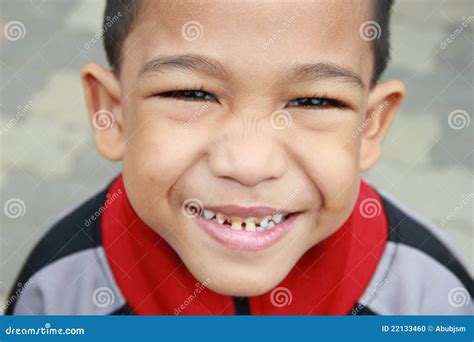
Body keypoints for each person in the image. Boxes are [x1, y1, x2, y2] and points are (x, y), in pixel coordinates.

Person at [6, 0, 472, 315]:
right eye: (191, 93)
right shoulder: (59, 290)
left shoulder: (428, 295)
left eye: (313, 101)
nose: (249, 163)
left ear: (370, 127)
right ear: (113, 113)